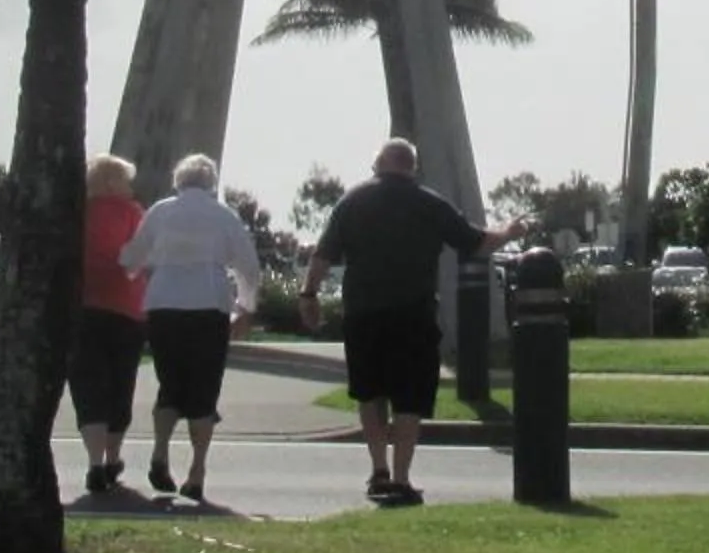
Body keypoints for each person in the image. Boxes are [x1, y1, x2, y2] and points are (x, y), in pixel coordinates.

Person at [300, 137, 512, 506]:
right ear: (412, 167)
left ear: (378, 166)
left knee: (369, 392)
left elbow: (323, 255)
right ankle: (401, 477)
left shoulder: (352, 201)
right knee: (409, 398)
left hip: (363, 312)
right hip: (412, 312)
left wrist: (308, 294)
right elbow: (475, 243)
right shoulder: (428, 202)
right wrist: (509, 232)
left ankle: (378, 469)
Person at [118, 152, 263, 503]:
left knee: (170, 383)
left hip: (164, 303)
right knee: (203, 388)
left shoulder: (161, 212)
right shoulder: (223, 215)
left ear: (178, 180)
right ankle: (197, 470)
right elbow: (248, 266)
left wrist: (137, 266)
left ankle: (160, 451)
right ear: (211, 182)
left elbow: (132, 260)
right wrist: (246, 306)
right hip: (208, 303)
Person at [67, 153, 149, 496]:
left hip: (83, 306)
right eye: (126, 181)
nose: (131, 187)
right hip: (125, 309)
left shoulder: (75, 213)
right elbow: (141, 256)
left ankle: (94, 463)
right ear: (114, 182)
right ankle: (113, 457)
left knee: (88, 387)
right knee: (120, 384)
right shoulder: (134, 214)